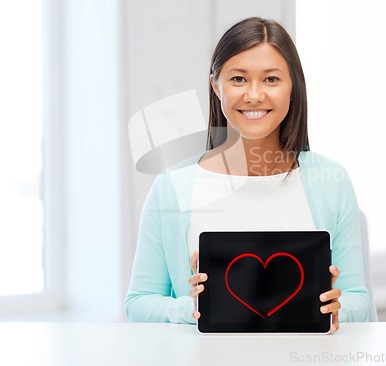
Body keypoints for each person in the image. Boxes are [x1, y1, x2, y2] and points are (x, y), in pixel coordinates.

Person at [125, 17, 371, 331]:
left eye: (271, 80)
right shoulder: (173, 187)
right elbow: (139, 301)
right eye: (239, 79)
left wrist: (337, 306)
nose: (254, 95)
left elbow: (358, 298)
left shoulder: (330, 181)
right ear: (216, 85)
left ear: (292, 85)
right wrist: (193, 307)